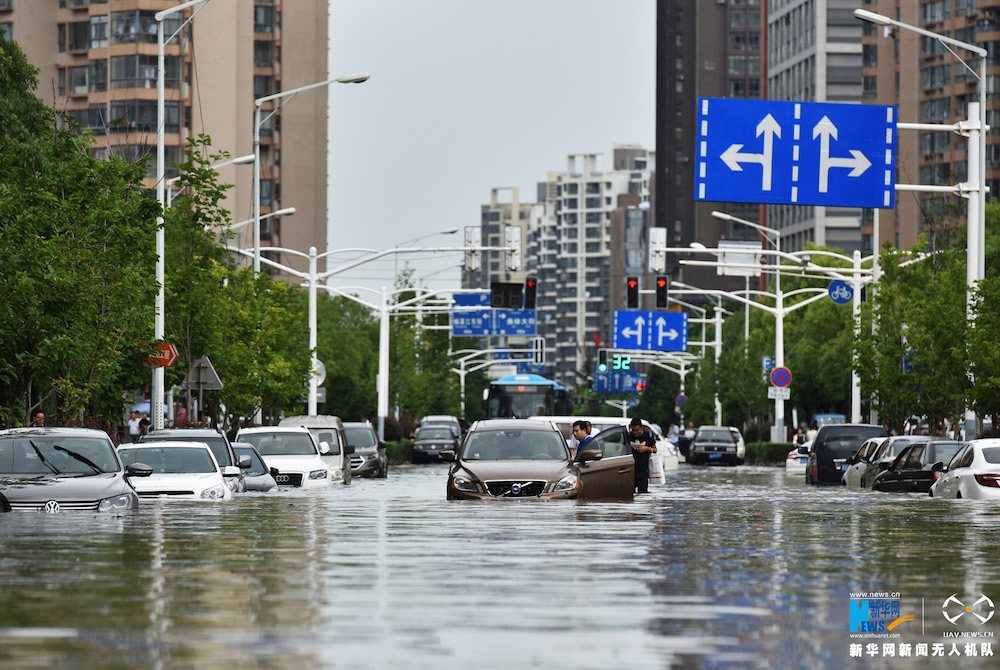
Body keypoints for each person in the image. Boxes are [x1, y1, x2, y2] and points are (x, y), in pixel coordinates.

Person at [629, 418, 657, 494]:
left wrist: (647, 448)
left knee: (643, 494)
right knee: (630, 493)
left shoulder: (648, 436)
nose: (635, 432)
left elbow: (655, 450)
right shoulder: (629, 436)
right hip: (630, 471)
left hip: (643, 471)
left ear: (641, 427)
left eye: (637, 430)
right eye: (633, 430)